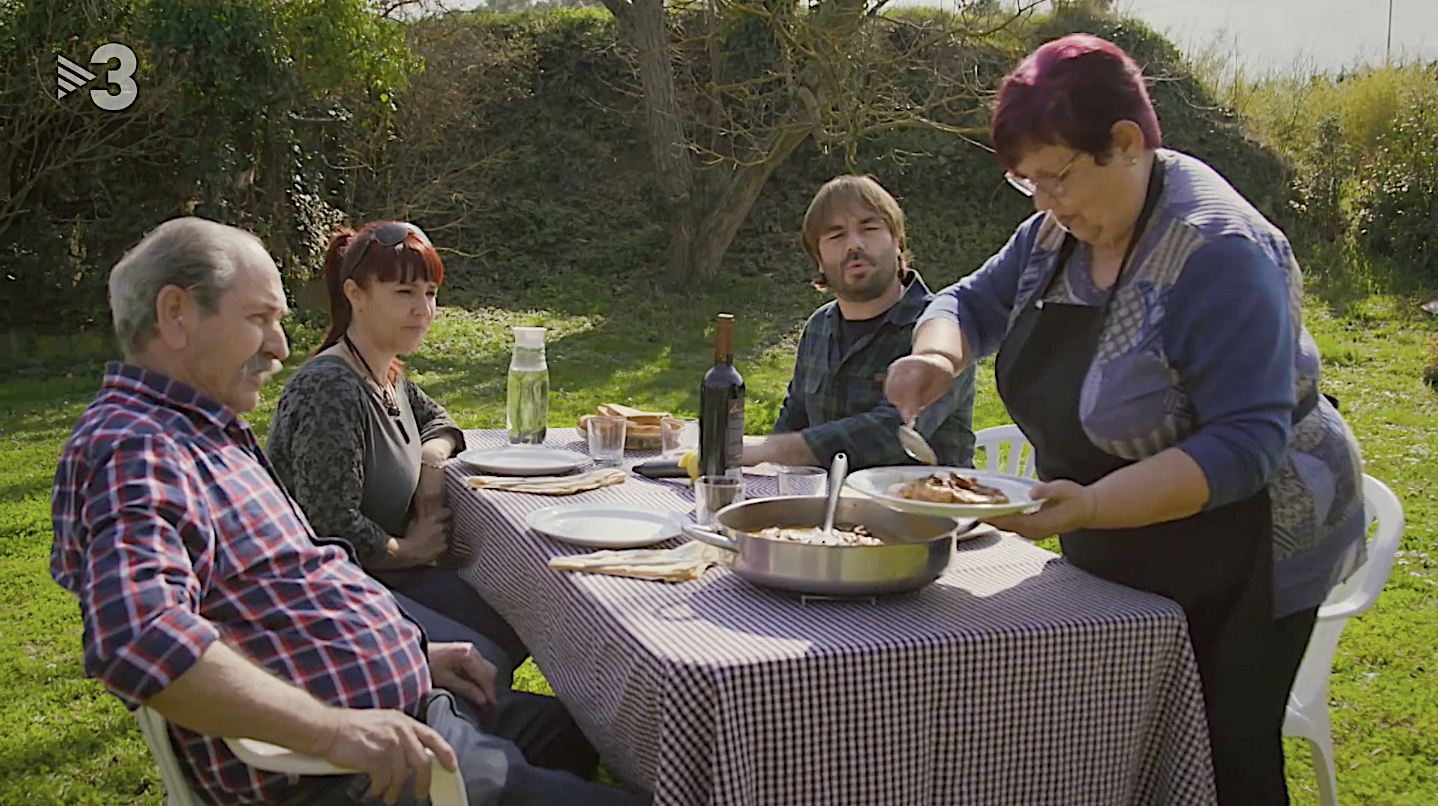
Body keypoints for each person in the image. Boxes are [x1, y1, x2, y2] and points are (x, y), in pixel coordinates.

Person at [883, 34, 1365, 805]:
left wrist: (1098, 506)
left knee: (1217, 754)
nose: (1045, 201)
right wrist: (936, 359)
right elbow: (968, 303)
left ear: (1127, 143)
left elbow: (1242, 446)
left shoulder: (1220, 253)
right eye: (1026, 181)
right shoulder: (1056, 230)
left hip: (1251, 540)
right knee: (1104, 740)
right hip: (1117, 525)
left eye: (1058, 177)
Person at [49, 216, 646, 806]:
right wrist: (338, 732)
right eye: (260, 319)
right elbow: (140, 637)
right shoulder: (136, 450)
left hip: (412, 705)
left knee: (574, 733)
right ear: (175, 314)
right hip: (355, 770)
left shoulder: (201, 430)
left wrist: (413, 655)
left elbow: (279, 589)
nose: (281, 346)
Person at [266, 220, 527, 673]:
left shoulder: (386, 376)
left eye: (429, 293)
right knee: (486, 651)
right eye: (404, 293)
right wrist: (409, 550)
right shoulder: (331, 387)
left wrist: (430, 462)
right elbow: (330, 524)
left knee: (515, 621)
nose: (423, 310)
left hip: (389, 574)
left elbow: (441, 423)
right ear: (355, 294)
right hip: (328, 597)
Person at [743, 175, 977, 470]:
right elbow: (791, 424)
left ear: (897, 242)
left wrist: (765, 449)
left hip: (927, 509)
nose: (854, 244)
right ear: (818, 259)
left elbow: (891, 434)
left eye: (869, 228)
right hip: (824, 510)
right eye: (836, 235)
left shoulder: (940, 329)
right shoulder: (818, 328)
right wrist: (752, 455)